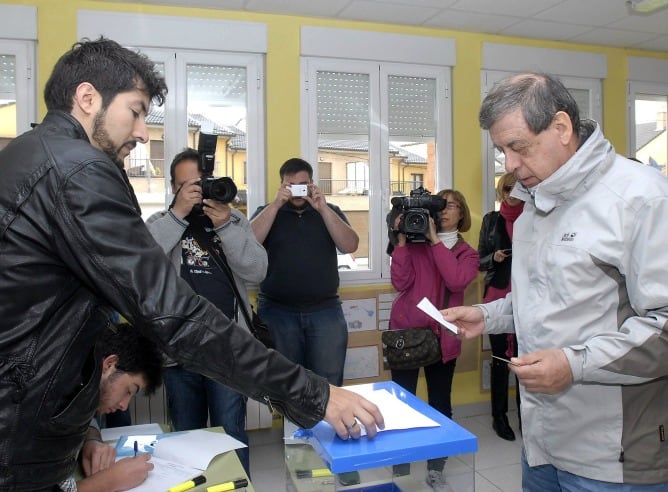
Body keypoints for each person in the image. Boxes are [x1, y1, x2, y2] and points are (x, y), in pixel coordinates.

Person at [0, 37, 383, 491]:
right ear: (88, 98)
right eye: (137, 111)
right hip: (21, 424)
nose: (143, 132)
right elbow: (172, 313)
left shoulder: (28, 153)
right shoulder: (78, 169)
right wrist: (313, 394)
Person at [442, 73, 668, 490]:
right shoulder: (534, 204)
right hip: (541, 445)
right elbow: (544, 296)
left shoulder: (641, 198)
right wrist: (485, 315)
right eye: (501, 150)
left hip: (612, 458)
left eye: (518, 147)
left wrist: (573, 364)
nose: (509, 164)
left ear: (561, 128)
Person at [145, 147, 267, 475]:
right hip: (179, 351)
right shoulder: (159, 222)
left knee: (231, 435)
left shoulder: (234, 220)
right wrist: (177, 216)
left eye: (201, 184)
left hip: (228, 351)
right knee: (188, 438)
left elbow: (257, 271)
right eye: (188, 187)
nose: (198, 193)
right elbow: (142, 267)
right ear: (173, 188)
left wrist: (226, 226)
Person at [388, 189, 479, 492]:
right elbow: (400, 283)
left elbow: (455, 280)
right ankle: (400, 468)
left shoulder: (468, 254)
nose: (442, 211)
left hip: (443, 337)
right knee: (401, 405)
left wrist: (436, 242)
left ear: (461, 213)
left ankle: (435, 469)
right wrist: (401, 243)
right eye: (438, 205)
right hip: (406, 334)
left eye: (449, 205)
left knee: (440, 404)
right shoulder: (416, 246)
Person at [250, 157, 358, 386]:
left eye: (303, 184)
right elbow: (247, 245)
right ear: (282, 185)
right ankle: (293, 424)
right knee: (286, 384)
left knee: (329, 382)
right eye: (291, 185)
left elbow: (350, 246)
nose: (298, 192)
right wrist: (276, 205)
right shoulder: (267, 212)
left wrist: (322, 208)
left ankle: (327, 423)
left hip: (325, 310)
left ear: (312, 183)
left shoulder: (330, 211)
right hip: (277, 312)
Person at [77, 323, 163, 492]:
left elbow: (83, 416)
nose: (124, 406)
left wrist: (91, 440)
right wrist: (108, 482)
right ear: (109, 365)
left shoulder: (76, 386)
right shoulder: (41, 400)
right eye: (128, 391)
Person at [477, 172, 524, 441]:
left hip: (527, 296)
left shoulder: (535, 217)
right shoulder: (491, 220)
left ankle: (525, 416)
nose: (511, 192)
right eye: (507, 188)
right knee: (499, 360)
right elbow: (478, 260)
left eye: (516, 187)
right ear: (500, 190)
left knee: (523, 361)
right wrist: (493, 257)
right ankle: (499, 417)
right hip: (496, 293)